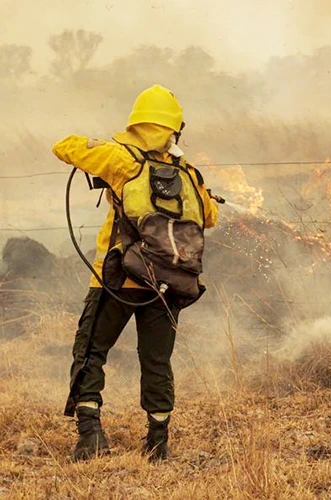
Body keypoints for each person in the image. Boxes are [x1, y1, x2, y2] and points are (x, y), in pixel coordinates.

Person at [52, 84, 220, 462]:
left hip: (117, 277)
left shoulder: (121, 159)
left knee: (91, 349)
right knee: (157, 360)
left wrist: (99, 148)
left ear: (137, 122)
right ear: (174, 127)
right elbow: (210, 216)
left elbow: (64, 145)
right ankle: (158, 441)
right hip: (168, 284)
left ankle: (91, 435)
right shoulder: (187, 172)